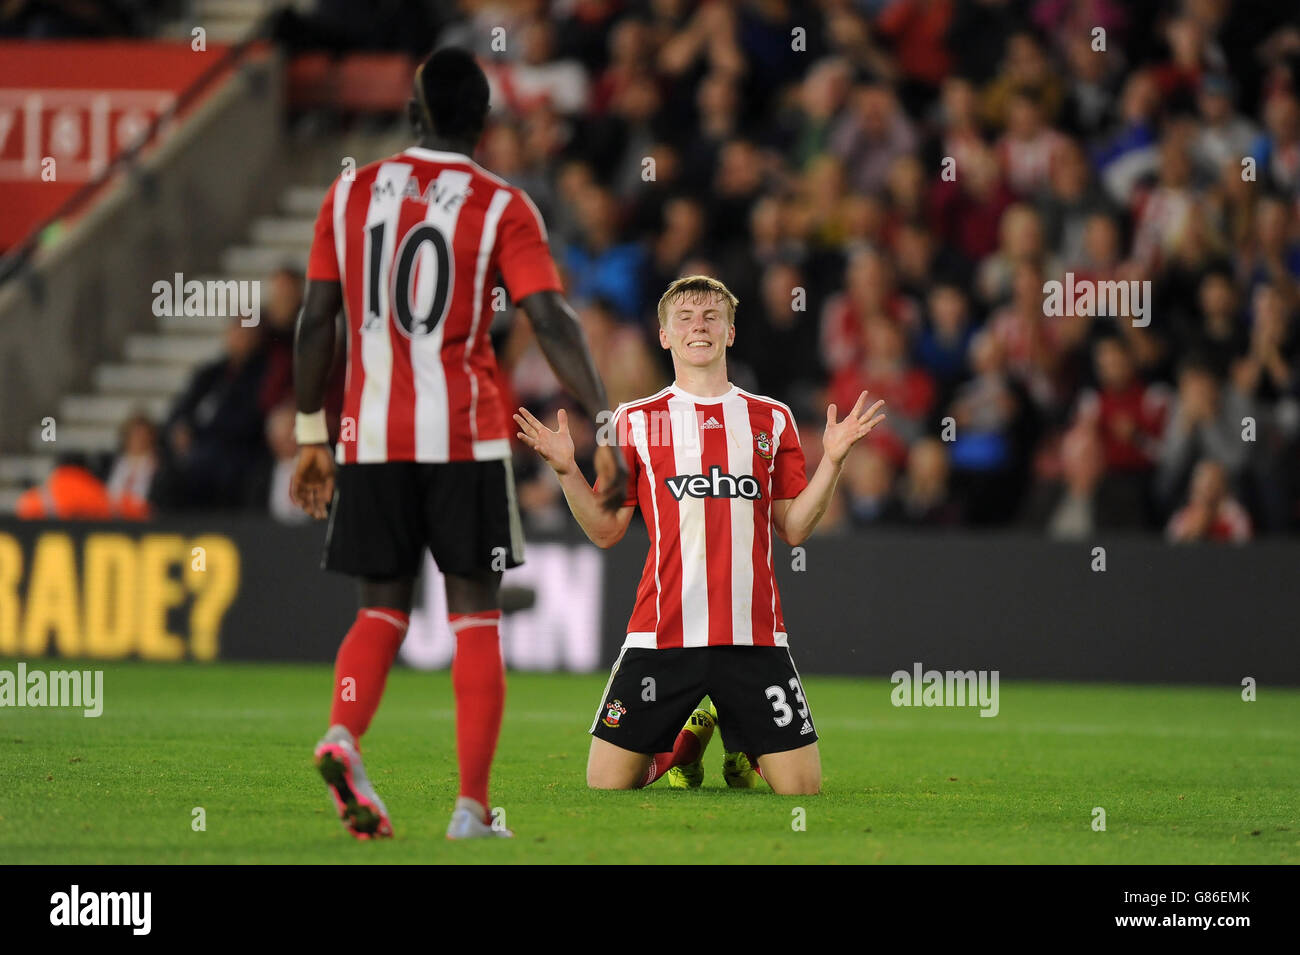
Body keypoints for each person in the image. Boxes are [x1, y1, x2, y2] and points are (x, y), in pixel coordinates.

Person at [290, 47, 627, 840]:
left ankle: (343, 733)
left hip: (368, 436)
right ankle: (471, 809)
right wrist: (604, 420)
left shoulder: (348, 193)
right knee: (475, 616)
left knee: (380, 608)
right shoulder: (502, 205)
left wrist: (311, 434)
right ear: (483, 126)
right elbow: (549, 318)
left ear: (412, 115)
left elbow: (315, 320)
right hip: (463, 436)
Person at [514, 275, 886, 794]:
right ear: (664, 336)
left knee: (802, 790)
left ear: (730, 332)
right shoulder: (633, 421)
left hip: (753, 637)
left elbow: (795, 527)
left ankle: (741, 748)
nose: (699, 326)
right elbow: (605, 530)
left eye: (712, 316)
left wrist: (835, 461)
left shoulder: (771, 419)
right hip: (662, 636)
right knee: (605, 785)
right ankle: (680, 750)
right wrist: (565, 470)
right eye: (684, 318)